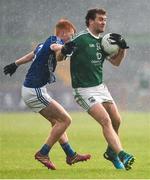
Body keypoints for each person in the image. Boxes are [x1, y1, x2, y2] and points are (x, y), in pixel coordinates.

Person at [3, 19, 91, 170]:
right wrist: (63, 49)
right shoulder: (54, 41)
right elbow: (56, 48)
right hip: (34, 90)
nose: (73, 37)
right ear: (63, 32)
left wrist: (15, 64)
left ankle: (71, 154)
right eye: (72, 34)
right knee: (65, 120)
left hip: (33, 89)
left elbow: (32, 55)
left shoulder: (43, 44)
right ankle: (43, 153)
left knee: (57, 122)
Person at [58, 9, 135, 170]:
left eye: (105, 20)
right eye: (100, 19)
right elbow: (60, 56)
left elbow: (116, 63)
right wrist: (64, 50)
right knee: (105, 120)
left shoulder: (104, 42)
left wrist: (122, 49)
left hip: (100, 87)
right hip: (83, 90)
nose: (103, 22)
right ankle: (122, 154)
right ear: (90, 21)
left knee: (117, 120)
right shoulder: (80, 39)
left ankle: (111, 153)